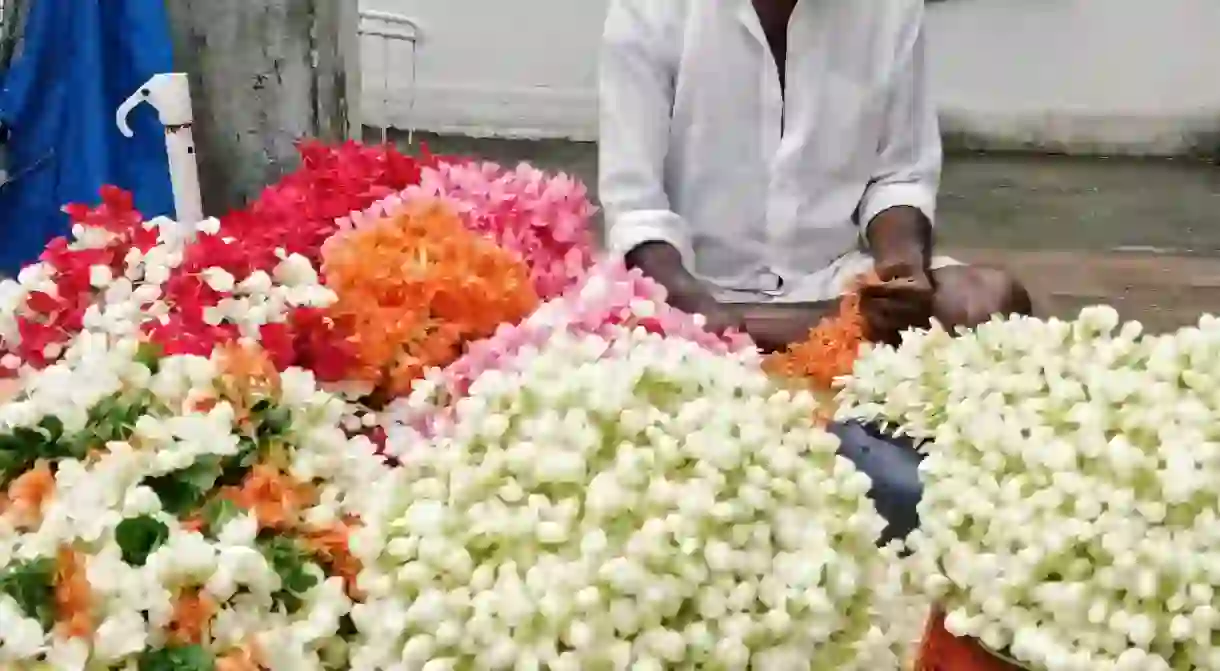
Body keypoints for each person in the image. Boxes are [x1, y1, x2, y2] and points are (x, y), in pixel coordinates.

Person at [599, 0, 1032, 351]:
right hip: (691, 288)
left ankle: (756, 338)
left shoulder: (890, 10)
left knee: (987, 299)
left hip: (837, 286)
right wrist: (695, 306)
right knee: (630, 327)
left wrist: (901, 270)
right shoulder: (647, 10)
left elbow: (900, 176)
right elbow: (637, 211)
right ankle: (769, 335)